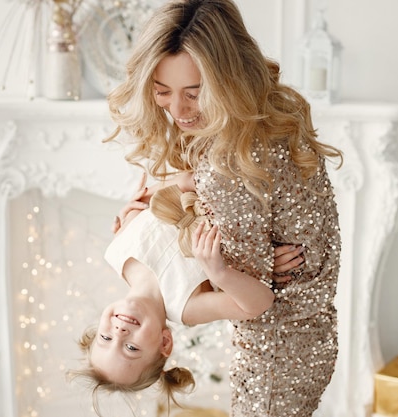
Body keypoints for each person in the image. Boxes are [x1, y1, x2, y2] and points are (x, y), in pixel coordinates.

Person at [105, 0, 343, 415]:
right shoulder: (251, 127)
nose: (177, 111)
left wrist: (148, 213)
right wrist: (165, 199)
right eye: (162, 93)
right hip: (283, 336)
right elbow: (243, 274)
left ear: (227, 80)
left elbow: (254, 282)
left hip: (280, 347)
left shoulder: (232, 167)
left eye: (193, 94)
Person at [70, 185, 303, 415]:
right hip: (231, 192)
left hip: (192, 171)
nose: (119, 332)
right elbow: (258, 304)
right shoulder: (186, 307)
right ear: (164, 343)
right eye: (131, 347)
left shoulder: (116, 252)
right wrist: (220, 273)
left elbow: (158, 189)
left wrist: (137, 204)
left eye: (105, 337)